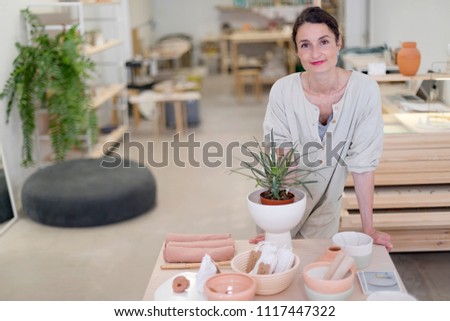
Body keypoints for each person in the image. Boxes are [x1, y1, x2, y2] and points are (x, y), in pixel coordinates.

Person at [256, 6, 393, 250]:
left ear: (339, 42)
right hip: (283, 201)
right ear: (297, 51)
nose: (315, 53)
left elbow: (363, 164)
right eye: (305, 44)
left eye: (324, 41)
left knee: (314, 266)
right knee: (277, 266)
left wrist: (368, 227)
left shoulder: (364, 90)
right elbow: (284, 162)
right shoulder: (283, 90)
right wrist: (276, 227)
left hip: (328, 203)